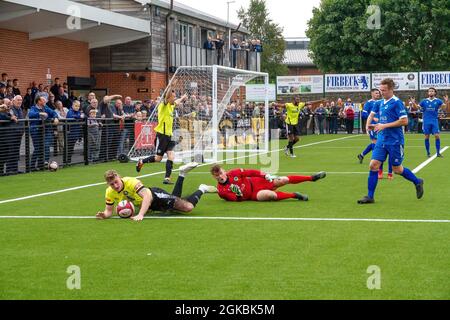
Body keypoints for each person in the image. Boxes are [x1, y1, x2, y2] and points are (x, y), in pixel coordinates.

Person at [358, 78, 424, 204]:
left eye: (384, 90)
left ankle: (417, 181)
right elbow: (374, 116)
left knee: (397, 169)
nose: (381, 92)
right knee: (373, 165)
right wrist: (370, 126)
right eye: (380, 90)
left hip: (395, 141)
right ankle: (370, 196)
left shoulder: (397, 102)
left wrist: (384, 125)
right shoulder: (380, 103)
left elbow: (404, 121)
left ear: (391, 89)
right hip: (382, 139)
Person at [96, 162, 214, 222]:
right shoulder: (109, 192)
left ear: (119, 177)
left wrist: (141, 214)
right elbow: (109, 211)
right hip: (152, 207)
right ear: (108, 184)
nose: (115, 186)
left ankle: (202, 188)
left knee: (188, 207)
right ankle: (182, 173)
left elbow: (147, 195)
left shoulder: (130, 182)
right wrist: (104, 215)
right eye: (112, 184)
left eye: (116, 182)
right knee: (175, 201)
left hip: (156, 196)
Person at [136, 90, 188, 184]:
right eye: (173, 96)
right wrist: (170, 87)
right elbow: (166, 97)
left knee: (171, 156)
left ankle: (167, 178)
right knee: (158, 159)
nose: (174, 98)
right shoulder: (163, 105)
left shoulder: (171, 106)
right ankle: (141, 161)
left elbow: (176, 102)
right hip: (162, 136)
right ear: (168, 98)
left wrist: (182, 98)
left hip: (169, 135)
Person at [210, 165, 326, 202]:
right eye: (217, 175)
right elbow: (237, 199)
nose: (220, 176)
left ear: (224, 171)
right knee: (270, 195)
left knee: (284, 180)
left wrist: (264, 175)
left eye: (221, 172)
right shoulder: (221, 191)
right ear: (214, 177)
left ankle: (311, 178)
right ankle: (295, 195)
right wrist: (238, 194)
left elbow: (251, 172)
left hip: (256, 181)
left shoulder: (234, 172)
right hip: (253, 195)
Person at [357, 89, 393, 179]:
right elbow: (364, 115)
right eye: (376, 93)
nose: (378, 94)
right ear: (372, 94)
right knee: (376, 144)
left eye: (379, 93)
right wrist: (373, 119)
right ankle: (378, 167)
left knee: (380, 145)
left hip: (383, 126)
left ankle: (363, 155)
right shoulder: (369, 103)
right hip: (373, 126)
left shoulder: (383, 102)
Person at [417, 88, 448, 158]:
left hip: (434, 121)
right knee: (426, 137)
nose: (431, 92)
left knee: (437, 136)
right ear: (428, 93)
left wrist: (446, 102)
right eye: (429, 91)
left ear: (435, 93)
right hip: (426, 121)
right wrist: (413, 103)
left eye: (432, 91)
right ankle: (428, 153)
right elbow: (418, 108)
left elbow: (444, 108)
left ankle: (438, 153)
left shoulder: (438, 101)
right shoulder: (424, 101)